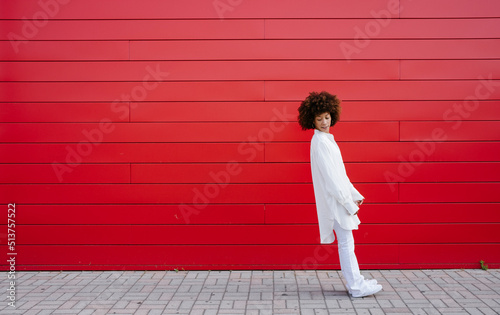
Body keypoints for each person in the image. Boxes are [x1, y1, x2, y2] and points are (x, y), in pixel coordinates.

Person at [297, 91, 383, 298]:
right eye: (319, 119)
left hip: (340, 201)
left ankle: (357, 282)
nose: (324, 122)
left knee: (347, 243)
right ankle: (356, 287)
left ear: (332, 115)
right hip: (336, 203)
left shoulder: (326, 140)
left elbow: (340, 173)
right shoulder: (320, 142)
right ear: (312, 120)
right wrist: (348, 203)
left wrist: (354, 194)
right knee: (346, 244)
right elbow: (332, 180)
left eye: (327, 117)